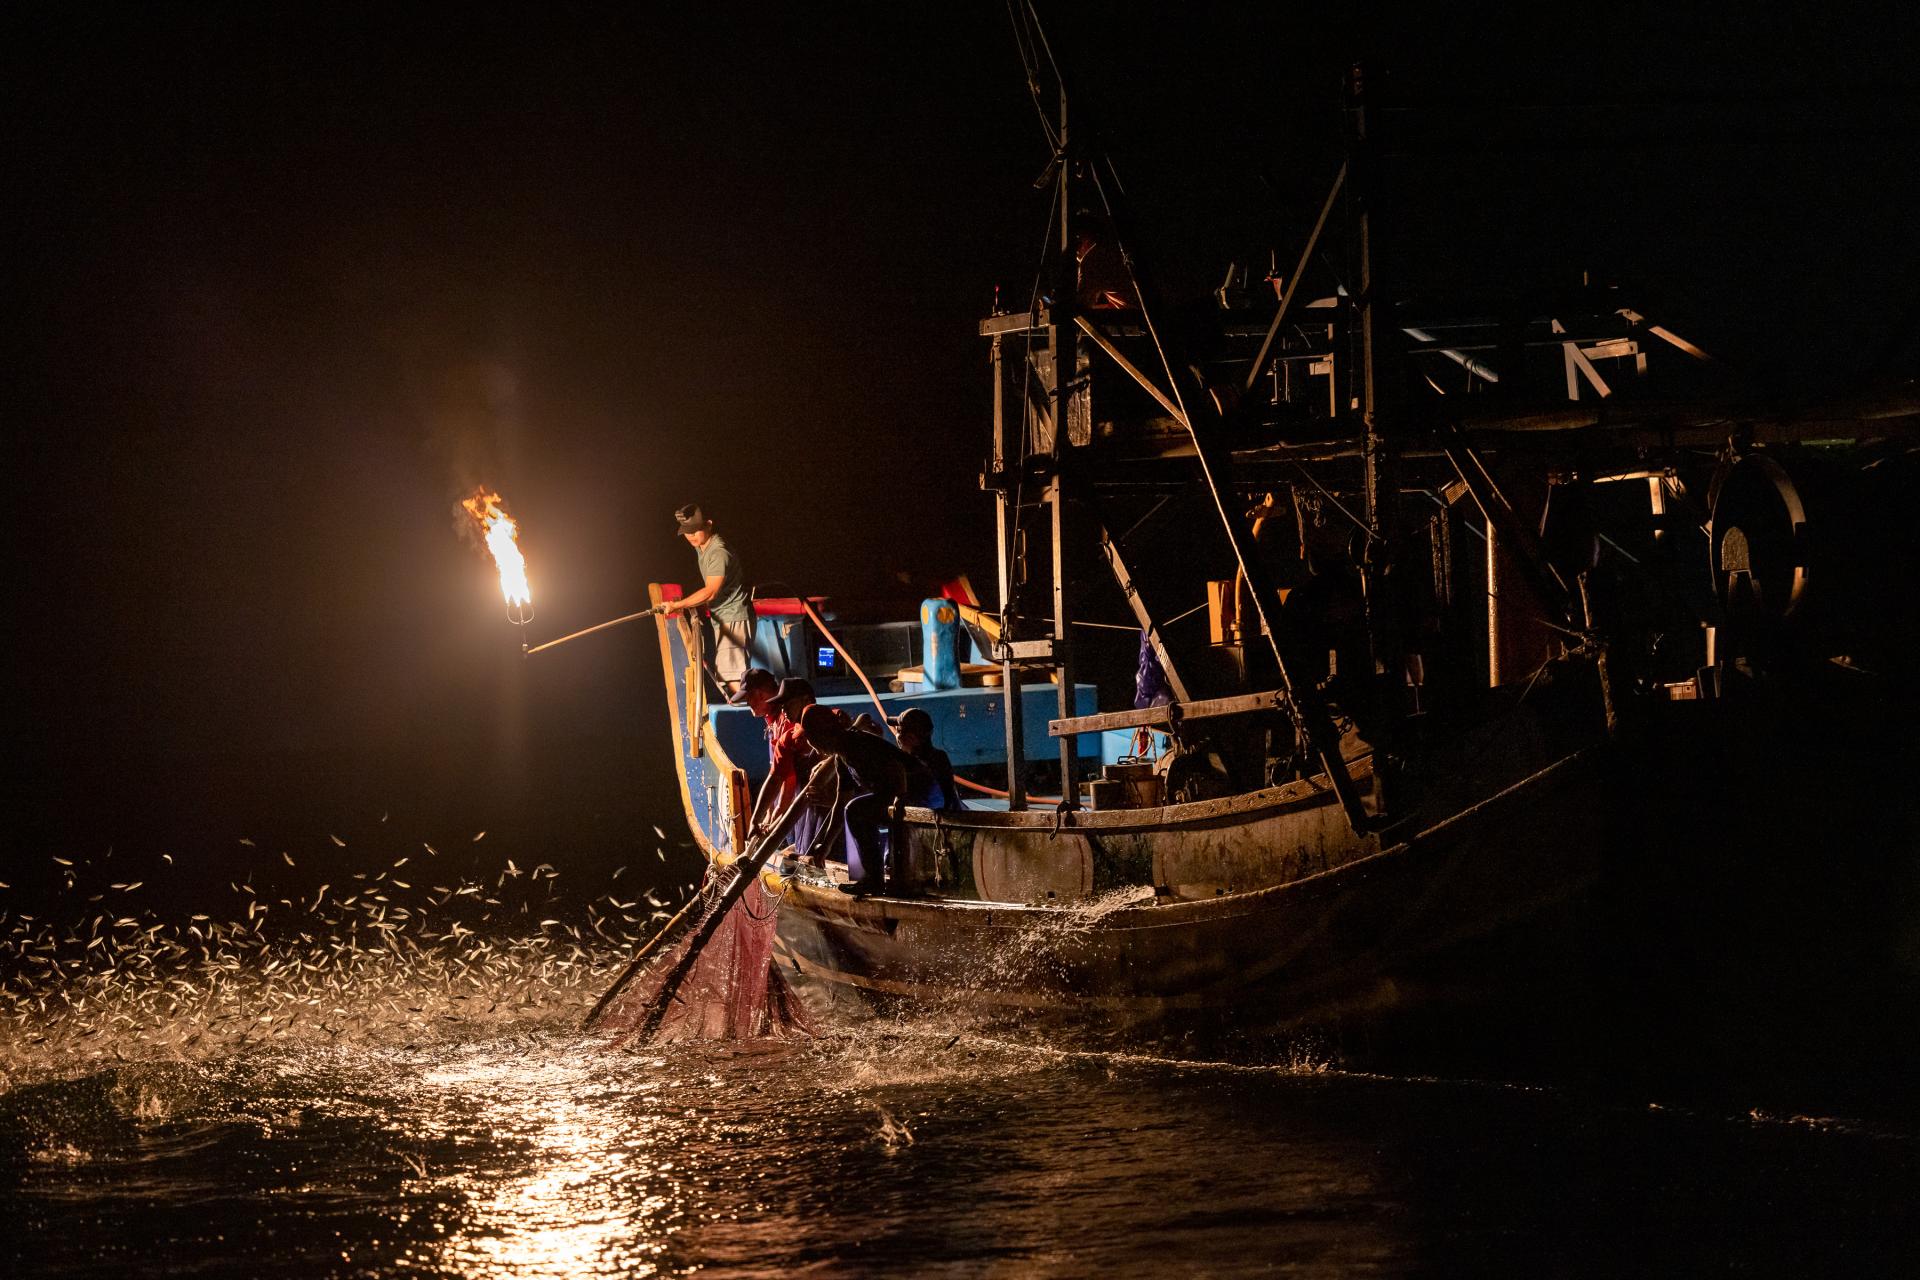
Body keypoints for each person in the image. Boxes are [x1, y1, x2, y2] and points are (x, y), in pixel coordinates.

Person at [800, 703, 931, 896]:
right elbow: (841, 803)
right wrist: (825, 846)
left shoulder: (856, 745)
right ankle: (875, 878)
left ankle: (875, 880)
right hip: (894, 794)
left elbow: (897, 768)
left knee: (857, 811)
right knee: (853, 810)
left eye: (810, 738)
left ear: (819, 735)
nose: (810, 744)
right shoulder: (841, 757)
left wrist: (900, 799)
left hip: (919, 791)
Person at [660, 503, 754, 693]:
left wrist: (679, 605)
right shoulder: (701, 545)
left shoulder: (718, 552)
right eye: (686, 532)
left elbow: (711, 591)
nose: (691, 536)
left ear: (709, 524)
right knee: (727, 673)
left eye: (695, 530)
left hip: (733, 616)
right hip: (723, 617)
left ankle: (747, 716)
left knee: (733, 678)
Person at [890, 707, 963, 812]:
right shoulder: (940, 757)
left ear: (911, 738)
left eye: (899, 731)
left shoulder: (911, 766)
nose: (897, 736)